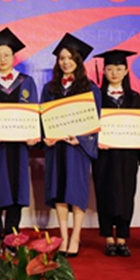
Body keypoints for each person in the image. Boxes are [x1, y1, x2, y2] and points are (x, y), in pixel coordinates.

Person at [0, 28, 39, 249]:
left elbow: (33, 113)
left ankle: (12, 239)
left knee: (16, 193)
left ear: (13, 57)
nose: (2, 59)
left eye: (6, 55)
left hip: (19, 149)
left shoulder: (27, 82)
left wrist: (33, 135)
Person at [41, 33, 101, 258]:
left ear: (78, 61)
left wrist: (81, 139)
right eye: (62, 58)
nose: (65, 62)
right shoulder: (50, 88)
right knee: (59, 191)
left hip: (77, 148)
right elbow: (43, 117)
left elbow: (96, 121)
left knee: (76, 191)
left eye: (70, 58)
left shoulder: (90, 88)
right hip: (57, 148)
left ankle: (76, 237)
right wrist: (46, 136)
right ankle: (63, 237)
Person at [92, 49, 140, 257]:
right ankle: (108, 237)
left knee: (127, 194)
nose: (114, 73)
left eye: (118, 69)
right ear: (103, 71)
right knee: (105, 193)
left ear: (126, 71)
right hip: (105, 156)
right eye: (110, 69)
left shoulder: (135, 98)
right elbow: (89, 126)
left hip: (127, 157)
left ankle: (123, 238)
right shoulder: (96, 98)